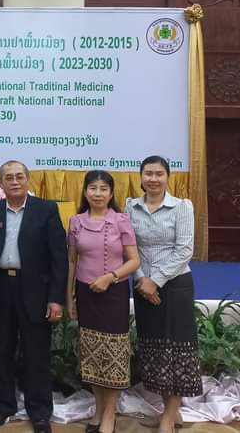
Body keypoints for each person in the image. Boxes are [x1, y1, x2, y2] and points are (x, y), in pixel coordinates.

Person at [0, 160, 67, 433]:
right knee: (1, 351)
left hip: (35, 291)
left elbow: (59, 257)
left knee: (36, 353)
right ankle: (5, 405)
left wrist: (56, 298)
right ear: (0, 183)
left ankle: (40, 412)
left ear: (27, 180)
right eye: (9, 178)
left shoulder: (46, 210)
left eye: (19, 177)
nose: (14, 182)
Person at [125, 155, 203, 433]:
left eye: (159, 174)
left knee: (176, 349)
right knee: (155, 348)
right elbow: (129, 247)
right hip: (142, 284)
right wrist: (141, 279)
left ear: (168, 177)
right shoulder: (131, 206)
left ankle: (169, 416)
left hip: (175, 284)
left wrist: (155, 281)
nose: (153, 179)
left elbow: (184, 250)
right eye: (148, 173)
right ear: (141, 176)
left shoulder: (181, 207)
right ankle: (168, 410)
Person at [66, 170, 140, 433]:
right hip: (86, 295)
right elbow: (72, 262)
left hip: (113, 294)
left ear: (111, 194)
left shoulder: (121, 220)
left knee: (113, 355)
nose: (98, 194)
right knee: (94, 354)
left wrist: (111, 277)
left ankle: (110, 414)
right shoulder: (76, 222)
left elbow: (134, 261)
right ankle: (98, 410)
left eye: (103, 189)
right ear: (85, 192)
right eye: (93, 188)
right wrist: (69, 296)